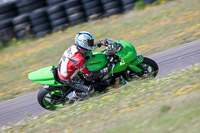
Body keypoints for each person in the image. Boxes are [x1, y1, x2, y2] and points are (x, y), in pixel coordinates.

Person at [57, 31, 110, 100]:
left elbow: (87, 49)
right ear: (83, 43)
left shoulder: (75, 46)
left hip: (64, 68)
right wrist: (103, 71)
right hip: (67, 78)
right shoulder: (79, 59)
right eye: (89, 42)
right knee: (90, 90)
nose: (91, 43)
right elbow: (88, 76)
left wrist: (98, 43)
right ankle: (70, 96)